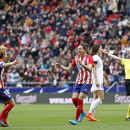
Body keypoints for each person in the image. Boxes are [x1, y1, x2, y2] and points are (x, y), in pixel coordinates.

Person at [55, 44, 94, 125]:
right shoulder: (76, 59)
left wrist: (82, 64)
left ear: (85, 50)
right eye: (78, 49)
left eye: (80, 49)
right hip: (78, 81)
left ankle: (76, 119)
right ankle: (82, 112)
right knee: (74, 100)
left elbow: (90, 68)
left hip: (87, 82)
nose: (78, 50)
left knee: (80, 99)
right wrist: (60, 67)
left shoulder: (89, 58)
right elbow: (69, 69)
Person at [104, 49, 130, 121]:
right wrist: (107, 54)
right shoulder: (126, 61)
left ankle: (128, 116)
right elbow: (115, 58)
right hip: (128, 82)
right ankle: (128, 116)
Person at [86, 44, 107, 121]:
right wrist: (97, 80)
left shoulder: (97, 57)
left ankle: (91, 116)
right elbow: (93, 69)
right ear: (97, 49)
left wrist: (104, 79)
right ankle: (90, 113)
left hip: (98, 79)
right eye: (101, 48)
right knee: (101, 98)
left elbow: (99, 71)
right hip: (97, 80)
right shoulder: (95, 57)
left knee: (95, 97)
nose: (102, 49)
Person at [0, 45, 19, 127]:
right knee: (12, 103)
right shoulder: (0, 62)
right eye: (6, 54)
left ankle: (4, 122)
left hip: (1, 87)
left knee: (7, 103)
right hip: (0, 88)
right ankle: (0, 118)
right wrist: (13, 63)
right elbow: (4, 65)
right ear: (4, 55)